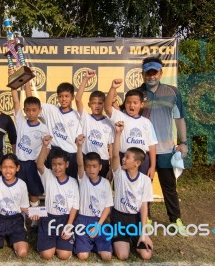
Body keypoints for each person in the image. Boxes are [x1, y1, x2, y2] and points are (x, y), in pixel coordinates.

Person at [135, 56, 188, 233]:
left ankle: (175, 220)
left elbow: (179, 118)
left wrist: (184, 142)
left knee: (169, 187)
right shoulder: (136, 94)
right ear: (143, 74)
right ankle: (146, 219)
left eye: (154, 72)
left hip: (165, 148)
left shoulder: (172, 92)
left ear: (161, 73)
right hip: (143, 149)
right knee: (143, 187)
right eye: (148, 73)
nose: (151, 76)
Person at [110, 121, 154, 260]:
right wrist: (118, 133)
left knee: (146, 255)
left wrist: (142, 232)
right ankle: (120, 240)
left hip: (135, 220)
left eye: (127, 157)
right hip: (119, 218)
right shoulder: (120, 174)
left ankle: (135, 238)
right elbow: (116, 155)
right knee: (123, 255)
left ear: (137, 163)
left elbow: (144, 206)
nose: (124, 159)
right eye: (125, 156)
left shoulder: (145, 180)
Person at [36, 135, 80, 260]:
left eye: (60, 164)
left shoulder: (73, 182)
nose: (57, 167)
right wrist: (45, 146)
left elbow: (74, 207)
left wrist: (69, 225)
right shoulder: (48, 176)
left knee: (64, 255)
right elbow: (39, 165)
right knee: (47, 255)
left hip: (65, 219)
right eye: (54, 164)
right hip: (49, 218)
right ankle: (49, 242)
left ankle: (65, 242)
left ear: (67, 164)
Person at [10, 82, 49, 225]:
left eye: (34, 110)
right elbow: (15, 101)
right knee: (19, 192)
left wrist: (40, 162)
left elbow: (47, 148)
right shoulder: (20, 121)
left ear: (40, 110)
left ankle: (35, 219)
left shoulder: (44, 128)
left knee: (34, 193)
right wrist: (14, 88)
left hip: (32, 165)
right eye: (28, 110)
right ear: (24, 111)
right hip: (19, 164)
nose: (31, 113)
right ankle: (20, 218)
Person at [26, 82, 81, 179]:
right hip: (53, 153)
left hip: (71, 154)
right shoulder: (50, 109)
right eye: (60, 96)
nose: (63, 99)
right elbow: (31, 102)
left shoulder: (78, 115)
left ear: (72, 97)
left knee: (71, 184)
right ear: (57, 97)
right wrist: (26, 83)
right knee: (52, 184)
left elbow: (78, 141)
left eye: (66, 96)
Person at [104, 79, 157, 180]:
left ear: (141, 104)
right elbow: (107, 107)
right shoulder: (120, 117)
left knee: (140, 192)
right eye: (129, 102)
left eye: (135, 103)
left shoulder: (147, 122)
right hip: (123, 159)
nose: (131, 105)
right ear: (125, 103)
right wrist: (113, 88)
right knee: (121, 190)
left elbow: (152, 146)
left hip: (142, 161)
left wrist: (152, 166)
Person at [74, 134, 113, 261]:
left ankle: (96, 243)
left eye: (95, 166)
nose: (91, 169)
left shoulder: (106, 183)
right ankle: (85, 243)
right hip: (83, 220)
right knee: (83, 256)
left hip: (99, 221)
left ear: (100, 167)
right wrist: (79, 147)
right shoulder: (83, 178)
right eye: (88, 166)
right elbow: (79, 163)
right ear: (85, 168)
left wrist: (98, 226)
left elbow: (107, 207)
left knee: (107, 256)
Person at [75, 69, 115, 179]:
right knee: (85, 190)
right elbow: (78, 99)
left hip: (103, 161)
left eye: (100, 103)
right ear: (89, 104)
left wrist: (111, 169)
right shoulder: (85, 118)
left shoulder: (109, 122)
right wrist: (86, 79)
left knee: (101, 191)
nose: (97, 106)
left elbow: (111, 149)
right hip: (86, 159)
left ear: (105, 104)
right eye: (94, 103)